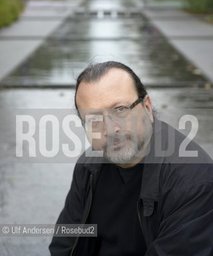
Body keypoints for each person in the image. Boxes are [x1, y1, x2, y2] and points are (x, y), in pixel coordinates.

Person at [49, 61, 213, 256]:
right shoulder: (89, 166)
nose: (110, 129)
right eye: (94, 119)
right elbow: (64, 244)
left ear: (147, 107)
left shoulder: (194, 180)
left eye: (120, 110)